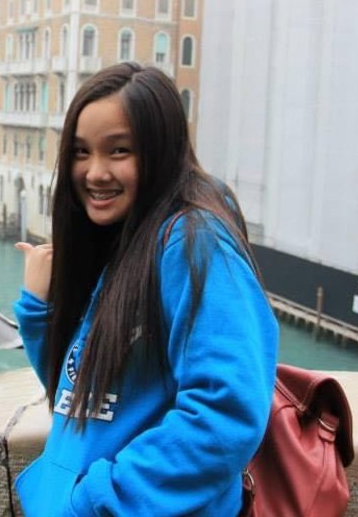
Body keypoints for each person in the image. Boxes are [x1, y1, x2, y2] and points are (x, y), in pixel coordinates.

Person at [14, 62, 279, 516]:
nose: (95, 172)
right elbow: (79, 397)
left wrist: (98, 503)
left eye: (119, 151)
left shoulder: (195, 244)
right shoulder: (124, 240)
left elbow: (225, 413)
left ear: (159, 150)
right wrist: (39, 312)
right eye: (80, 152)